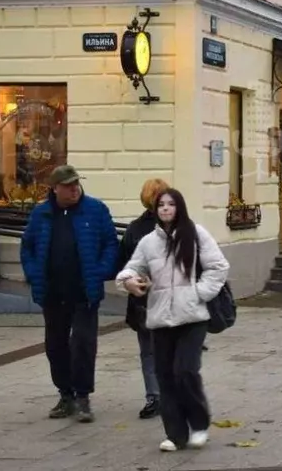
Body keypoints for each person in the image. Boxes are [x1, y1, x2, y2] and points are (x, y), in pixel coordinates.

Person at [116, 188, 230, 452]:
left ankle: (199, 424)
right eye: (161, 205)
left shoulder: (196, 234)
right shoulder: (148, 242)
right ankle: (176, 435)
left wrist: (198, 293)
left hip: (192, 317)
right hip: (160, 319)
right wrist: (128, 280)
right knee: (165, 377)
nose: (166, 209)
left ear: (180, 207)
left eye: (171, 204)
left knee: (186, 371)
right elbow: (131, 268)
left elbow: (218, 267)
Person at [20, 164, 119, 423]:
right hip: (53, 292)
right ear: (55, 189)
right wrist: (33, 273)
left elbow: (110, 243)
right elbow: (27, 247)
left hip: (84, 291)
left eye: (76, 184)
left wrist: (100, 271)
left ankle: (83, 396)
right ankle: (66, 394)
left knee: (84, 343)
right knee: (55, 345)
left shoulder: (95, 210)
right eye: (68, 185)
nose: (74, 189)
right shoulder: (41, 214)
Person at [116, 178, 171, 420]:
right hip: (169, 300)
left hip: (142, 300)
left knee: (148, 351)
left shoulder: (134, 229)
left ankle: (154, 396)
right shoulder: (176, 227)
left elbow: (124, 262)